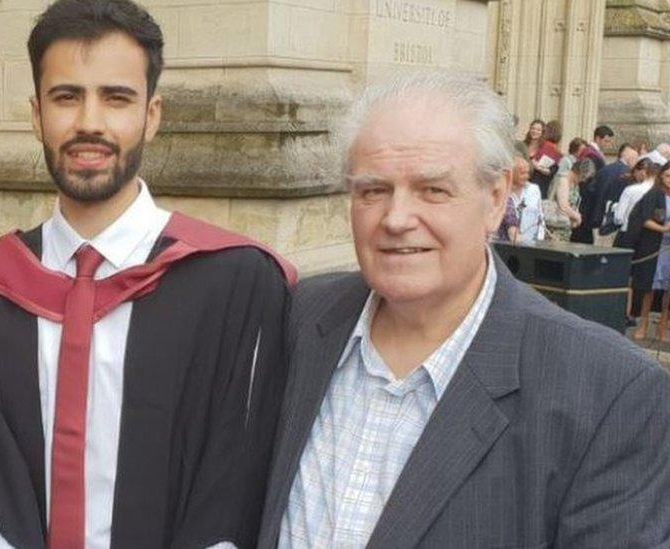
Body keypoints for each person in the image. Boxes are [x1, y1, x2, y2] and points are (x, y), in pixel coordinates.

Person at [0, 0, 295, 547]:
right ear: (36, 115)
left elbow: (236, 474)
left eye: (116, 98)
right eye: (66, 97)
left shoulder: (236, 283)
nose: (89, 123)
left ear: (152, 115)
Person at [258, 72, 670, 548]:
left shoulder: (610, 395)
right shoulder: (294, 318)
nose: (395, 219)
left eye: (433, 190)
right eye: (372, 191)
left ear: (495, 199)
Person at [625, 162, 670, 341]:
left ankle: (662, 324)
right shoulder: (654, 194)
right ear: (661, 176)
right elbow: (645, 220)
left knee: (667, 287)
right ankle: (643, 323)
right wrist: (664, 230)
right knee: (648, 286)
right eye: (667, 176)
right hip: (655, 245)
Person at [592, 142, 638, 245]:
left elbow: (592, 191)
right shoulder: (629, 175)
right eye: (635, 159)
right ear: (630, 158)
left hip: (597, 217)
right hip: (612, 223)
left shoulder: (604, 169)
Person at [512, 156, 545, 243]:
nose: (526, 176)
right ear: (513, 173)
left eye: (528, 173)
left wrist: (540, 239)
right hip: (508, 243)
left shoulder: (533, 189)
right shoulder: (505, 192)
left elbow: (540, 215)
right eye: (522, 173)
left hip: (530, 243)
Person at [530, 119, 561, 197]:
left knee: (523, 206)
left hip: (535, 184)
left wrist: (537, 166)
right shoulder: (555, 149)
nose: (535, 131)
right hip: (539, 187)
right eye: (533, 128)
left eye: (538, 130)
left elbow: (551, 170)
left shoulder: (546, 147)